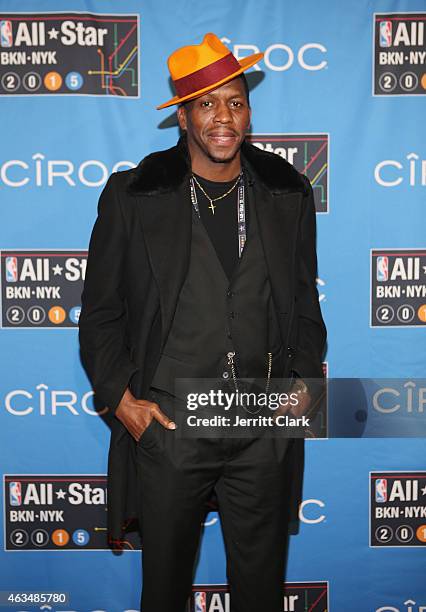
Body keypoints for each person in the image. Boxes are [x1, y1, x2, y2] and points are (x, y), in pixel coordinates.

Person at [79, 32, 326, 612]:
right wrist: (122, 400)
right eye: (207, 103)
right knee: (164, 592)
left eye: (235, 102)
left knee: (261, 592)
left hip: (261, 423)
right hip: (169, 423)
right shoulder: (135, 194)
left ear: (249, 112)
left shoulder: (286, 191)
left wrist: (302, 386)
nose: (224, 117)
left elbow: (304, 301)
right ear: (184, 116)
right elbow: (101, 312)